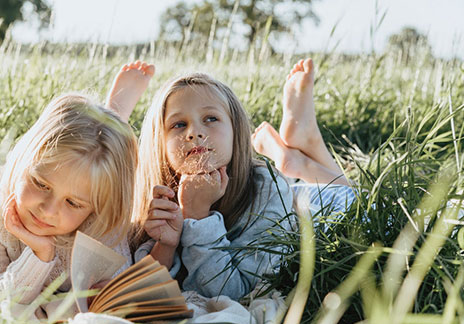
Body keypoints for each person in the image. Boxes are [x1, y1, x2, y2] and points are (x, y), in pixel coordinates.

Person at [132, 58, 352, 300]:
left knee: (355, 195)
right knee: (300, 186)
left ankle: (303, 153)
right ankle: (298, 157)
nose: (194, 132)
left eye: (210, 119)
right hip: (295, 195)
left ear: (237, 131)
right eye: (179, 124)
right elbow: (141, 291)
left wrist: (198, 217)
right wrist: (166, 246)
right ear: (159, 144)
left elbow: (235, 292)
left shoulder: (265, 188)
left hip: (323, 212)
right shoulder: (158, 197)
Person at [0, 61, 155, 309]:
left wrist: (106, 293)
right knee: (89, 160)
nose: (49, 210)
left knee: (104, 163)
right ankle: (113, 117)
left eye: (73, 203)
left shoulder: (101, 216)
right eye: (41, 184)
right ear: (23, 160)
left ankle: (114, 119)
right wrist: (39, 256)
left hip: (100, 183)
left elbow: (118, 288)